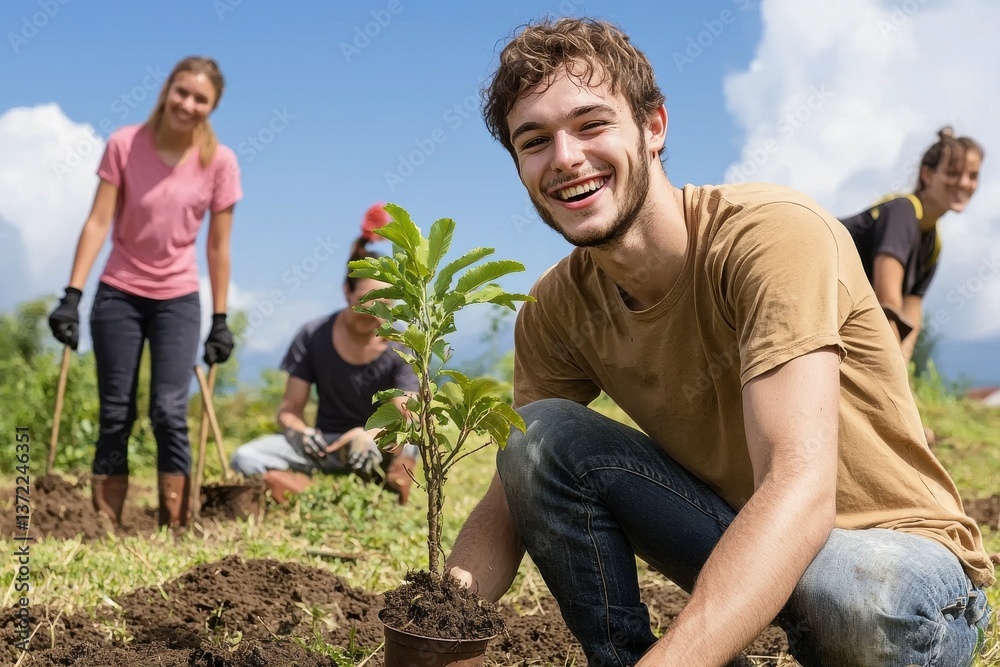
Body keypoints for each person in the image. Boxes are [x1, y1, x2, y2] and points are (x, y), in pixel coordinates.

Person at [444, 18, 994, 667]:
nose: (565, 157)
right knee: (535, 437)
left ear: (653, 127)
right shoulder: (556, 309)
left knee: (857, 596)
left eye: (591, 125)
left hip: (901, 568)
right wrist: (442, 614)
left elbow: (798, 487)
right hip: (751, 541)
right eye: (534, 141)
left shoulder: (770, 236)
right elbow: (513, 490)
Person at [47, 56, 242, 529]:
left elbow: (218, 247)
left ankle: (175, 523)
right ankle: (105, 523)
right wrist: (72, 293)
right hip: (119, 292)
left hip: (178, 297)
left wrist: (220, 318)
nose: (188, 104)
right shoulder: (123, 144)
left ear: (212, 107)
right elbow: (97, 221)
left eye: (201, 99)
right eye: (182, 92)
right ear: (166, 90)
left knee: (169, 410)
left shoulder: (220, 161)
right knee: (116, 409)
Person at [230, 206, 420, 505]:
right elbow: (289, 409)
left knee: (408, 446)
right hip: (325, 446)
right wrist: (301, 432)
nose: (374, 313)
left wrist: (366, 435)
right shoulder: (313, 335)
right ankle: (302, 488)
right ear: (347, 291)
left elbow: (405, 416)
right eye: (365, 301)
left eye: (384, 304)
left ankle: (389, 485)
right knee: (246, 457)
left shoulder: (400, 344)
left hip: (376, 443)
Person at [839, 128, 984, 364]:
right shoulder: (902, 211)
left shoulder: (933, 244)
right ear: (926, 175)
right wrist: (889, 372)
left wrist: (902, 371)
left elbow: (911, 314)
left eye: (973, 176)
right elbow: (888, 303)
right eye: (953, 172)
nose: (964, 183)